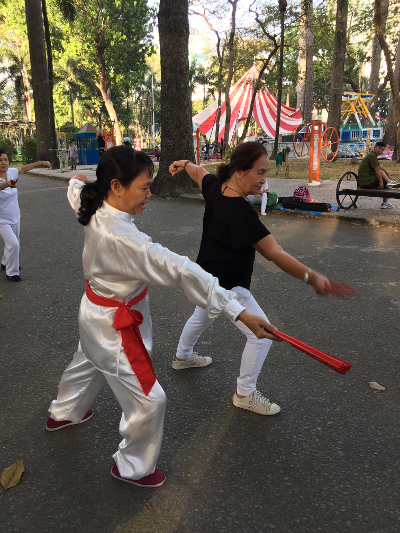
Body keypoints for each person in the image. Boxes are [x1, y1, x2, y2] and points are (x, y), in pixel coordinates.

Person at [46, 146, 278, 488]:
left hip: (94, 313)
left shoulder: (92, 202)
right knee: (151, 400)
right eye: (144, 188)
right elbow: (181, 269)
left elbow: (76, 188)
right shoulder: (126, 239)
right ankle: (132, 467)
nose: (149, 195)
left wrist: (77, 180)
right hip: (116, 327)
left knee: (88, 360)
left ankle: (64, 412)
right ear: (116, 187)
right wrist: (238, 310)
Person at [169, 142, 331, 416]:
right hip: (228, 287)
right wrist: (310, 275)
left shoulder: (215, 186)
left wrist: (183, 163)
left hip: (203, 282)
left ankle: (182, 357)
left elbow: (198, 172)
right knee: (263, 336)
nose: (264, 180)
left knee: (203, 313)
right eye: (260, 173)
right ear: (241, 171)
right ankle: (244, 393)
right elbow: (274, 252)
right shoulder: (242, 214)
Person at [0, 150, 51, 281]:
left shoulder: (11, 172)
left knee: (12, 242)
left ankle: (5, 262)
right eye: (0, 160)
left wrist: (41, 163)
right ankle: (12, 273)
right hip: (2, 220)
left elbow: (23, 168)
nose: (4, 163)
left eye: (5, 159)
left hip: (15, 216)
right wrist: (7, 184)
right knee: (14, 244)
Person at [357, 141, 398, 209]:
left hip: (363, 181)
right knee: (385, 183)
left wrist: (388, 174)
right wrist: (381, 182)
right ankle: (385, 203)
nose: (380, 151)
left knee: (383, 175)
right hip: (366, 182)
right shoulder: (372, 156)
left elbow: (380, 165)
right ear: (374, 147)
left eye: (382, 149)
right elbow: (376, 169)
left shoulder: (372, 155)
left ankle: (389, 181)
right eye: (379, 148)